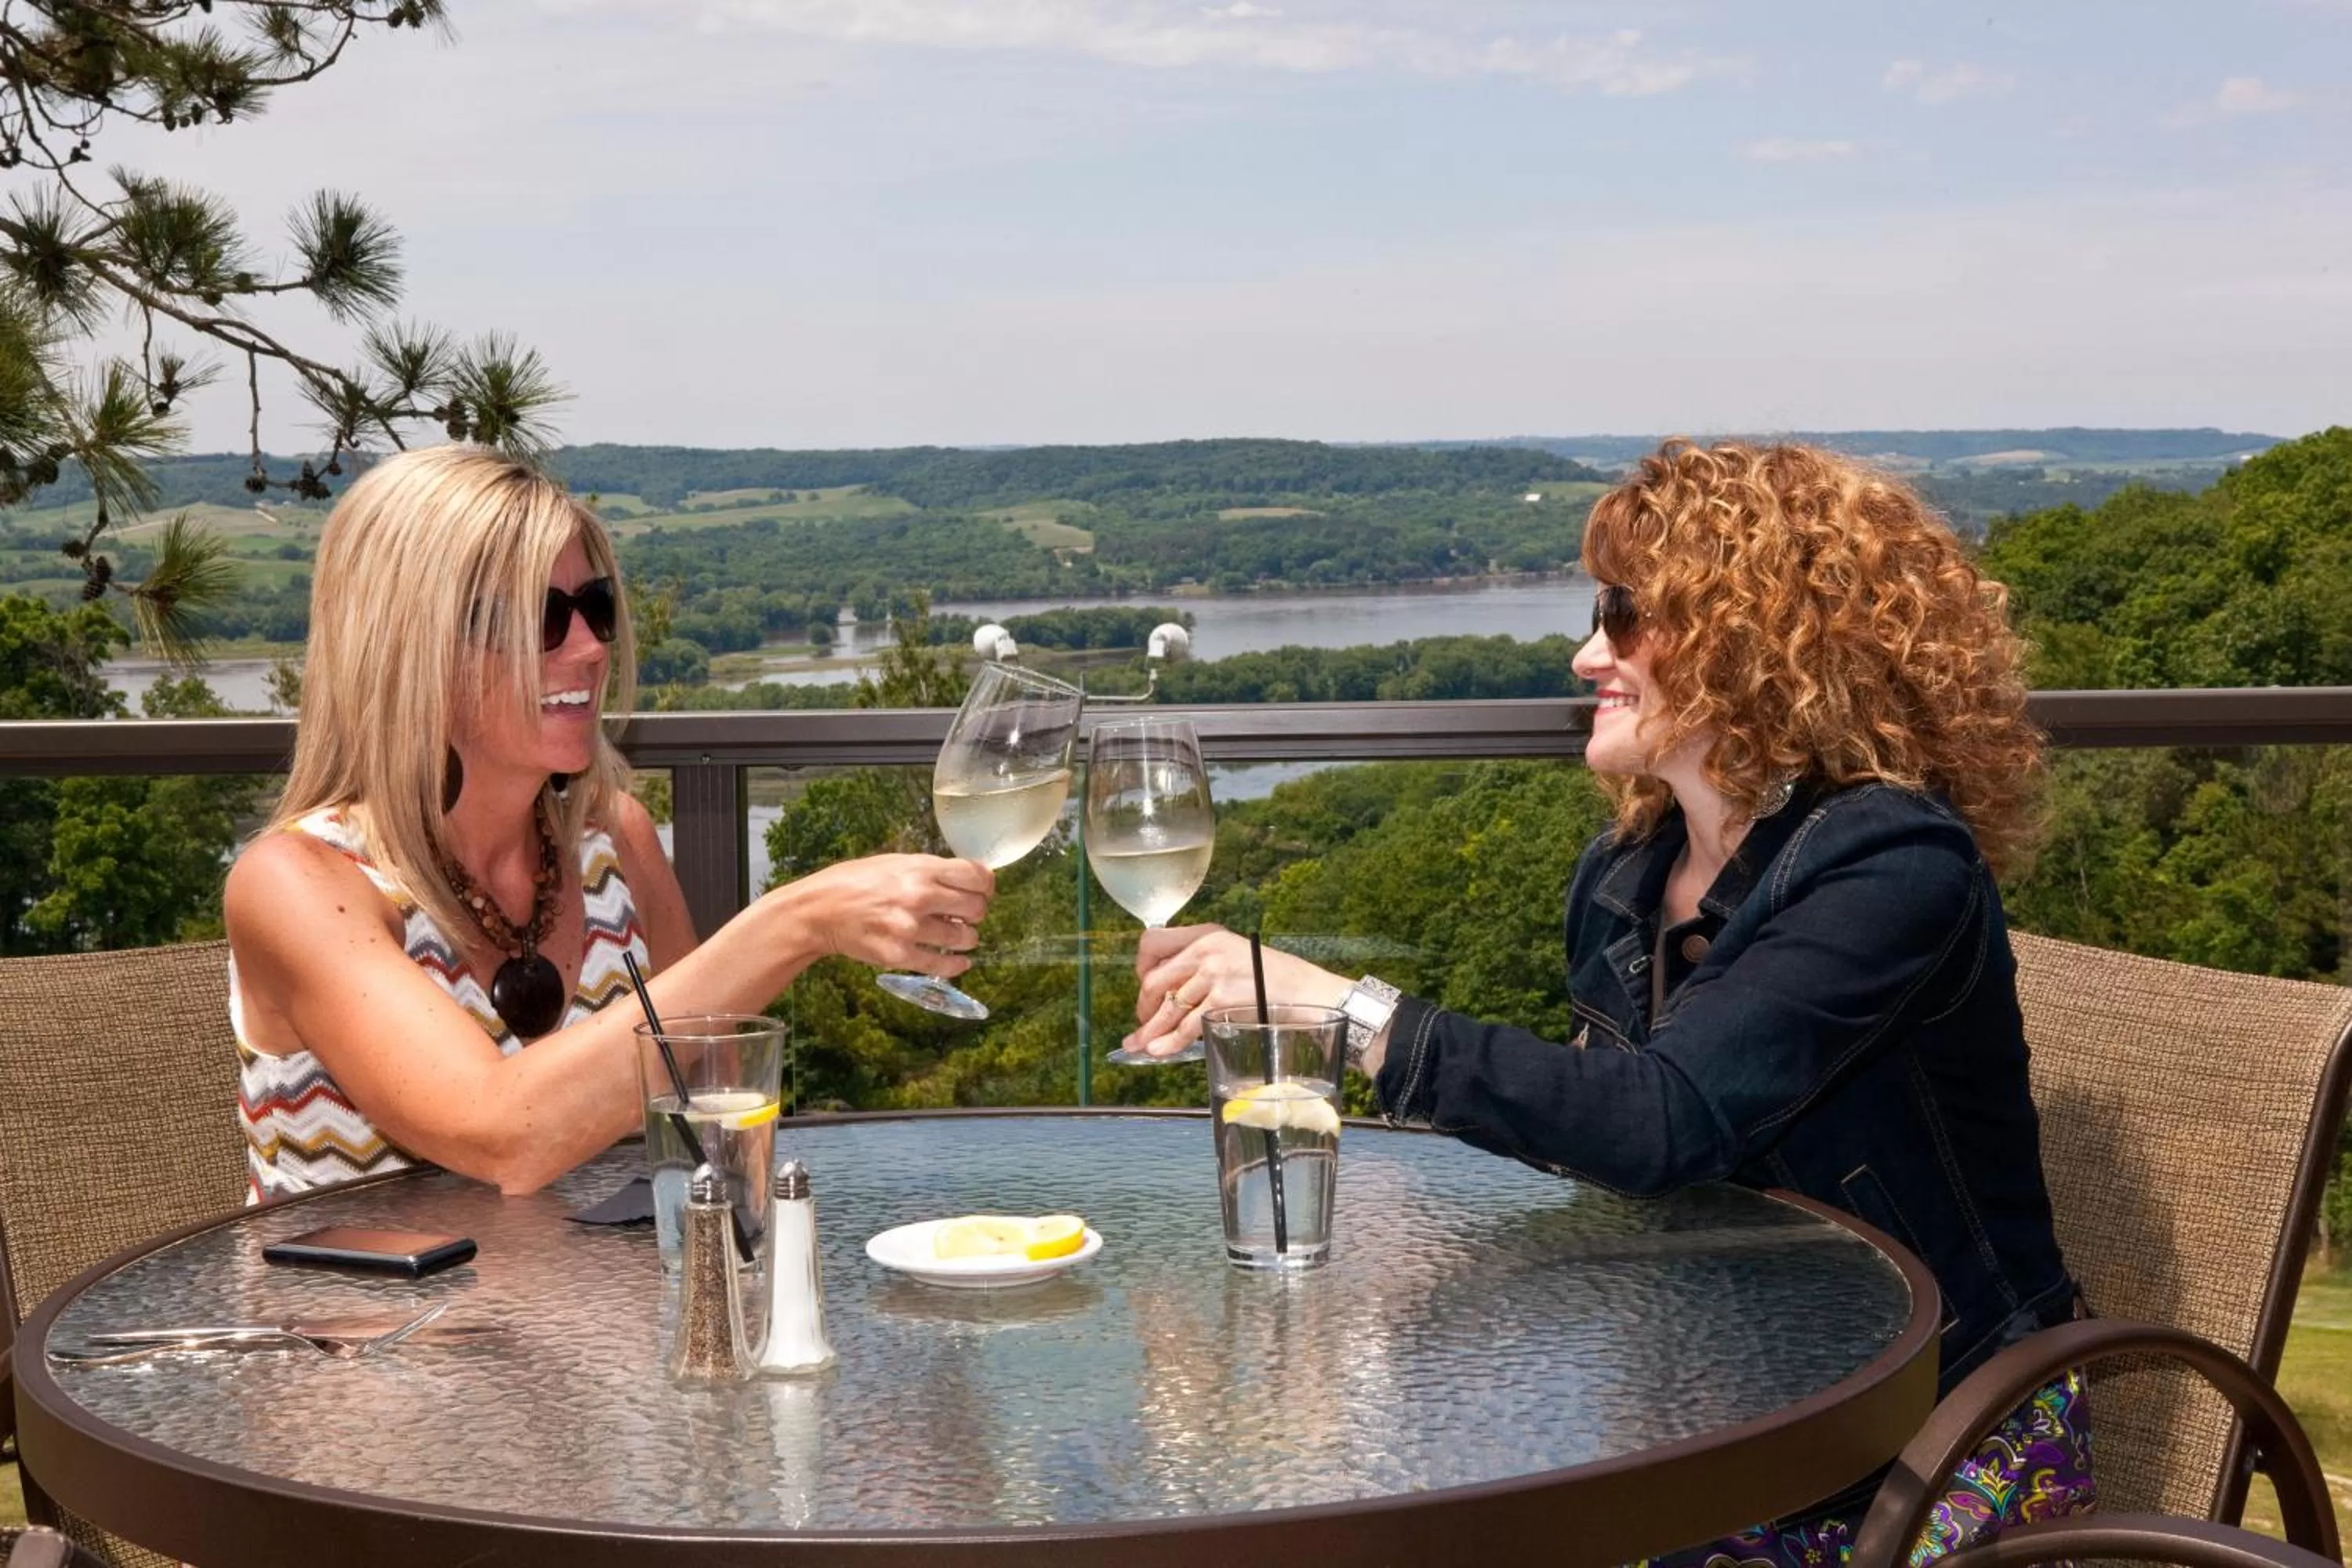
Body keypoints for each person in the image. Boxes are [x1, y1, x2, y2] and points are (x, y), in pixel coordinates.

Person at [1123, 440, 2093, 1558]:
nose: (1590, 654)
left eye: (1628, 616)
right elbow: (1602, 1132)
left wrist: (1346, 1010)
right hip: (1708, 1408)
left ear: (1755, 636)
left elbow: (1659, 1121)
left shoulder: (1891, 866)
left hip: (1910, 1447)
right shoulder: (1630, 874)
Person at [226, 445, 993, 1200]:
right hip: (356, 1323)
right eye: (538, 617)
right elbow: (501, 1132)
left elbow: (707, 1097)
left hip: (595, 1314)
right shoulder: (301, 883)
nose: (592, 647)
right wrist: (797, 920)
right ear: (408, 646)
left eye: (596, 607)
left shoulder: (611, 843)